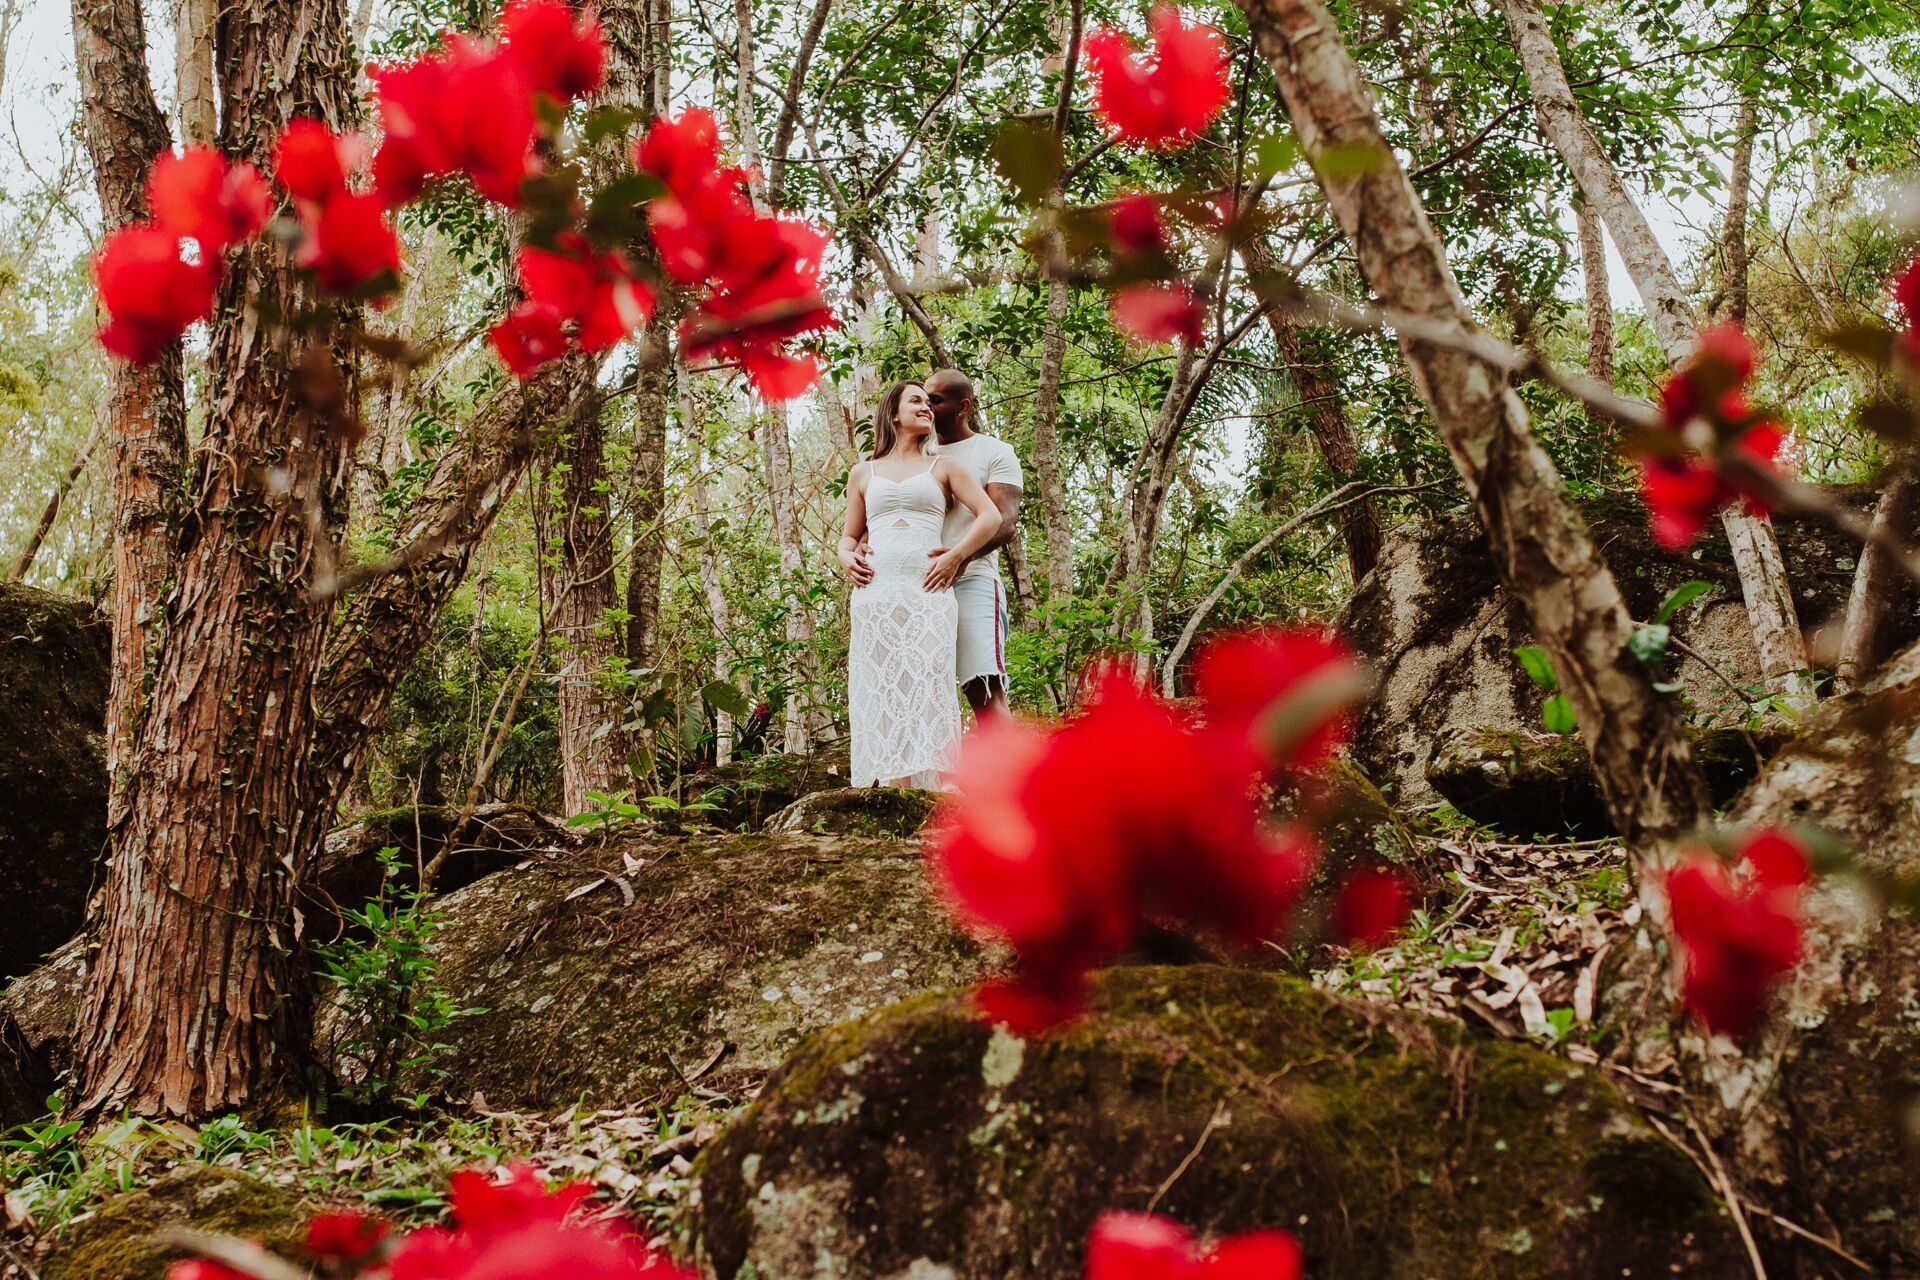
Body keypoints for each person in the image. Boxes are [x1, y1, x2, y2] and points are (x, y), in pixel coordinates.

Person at [839, 379, 1001, 788]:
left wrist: (955, 555)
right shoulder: (863, 472)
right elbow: (849, 536)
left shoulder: (943, 467)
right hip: (875, 593)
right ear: (893, 413)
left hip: (927, 589)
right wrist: (845, 556)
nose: (927, 407)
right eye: (916, 401)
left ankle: (943, 788)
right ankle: (895, 788)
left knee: (930, 678)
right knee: (883, 684)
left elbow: (991, 516)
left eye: (930, 402)